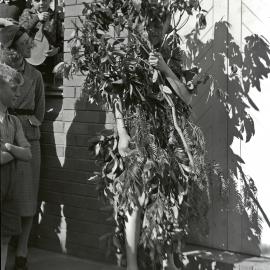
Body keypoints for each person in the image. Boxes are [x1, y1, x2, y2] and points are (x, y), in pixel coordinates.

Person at [0, 24, 45, 270]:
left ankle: (22, 251)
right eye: (26, 41)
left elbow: (40, 112)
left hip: (29, 137)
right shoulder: (1, 72)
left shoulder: (36, 76)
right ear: (13, 46)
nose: (31, 45)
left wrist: (28, 124)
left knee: (28, 196)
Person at [0, 63, 32, 270]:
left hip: (8, 190)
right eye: (13, 88)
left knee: (4, 237)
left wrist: (9, 147)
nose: (18, 93)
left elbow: (28, 154)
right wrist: (16, 152)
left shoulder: (14, 122)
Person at [19, 0, 63, 85]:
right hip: (28, 60)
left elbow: (61, 39)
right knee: (28, 88)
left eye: (45, 0)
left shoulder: (55, 16)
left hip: (48, 62)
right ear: (32, 2)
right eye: (37, 0)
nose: (42, 3)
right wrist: (37, 18)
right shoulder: (27, 13)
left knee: (43, 91)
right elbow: (20, 33)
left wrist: (57, 49)